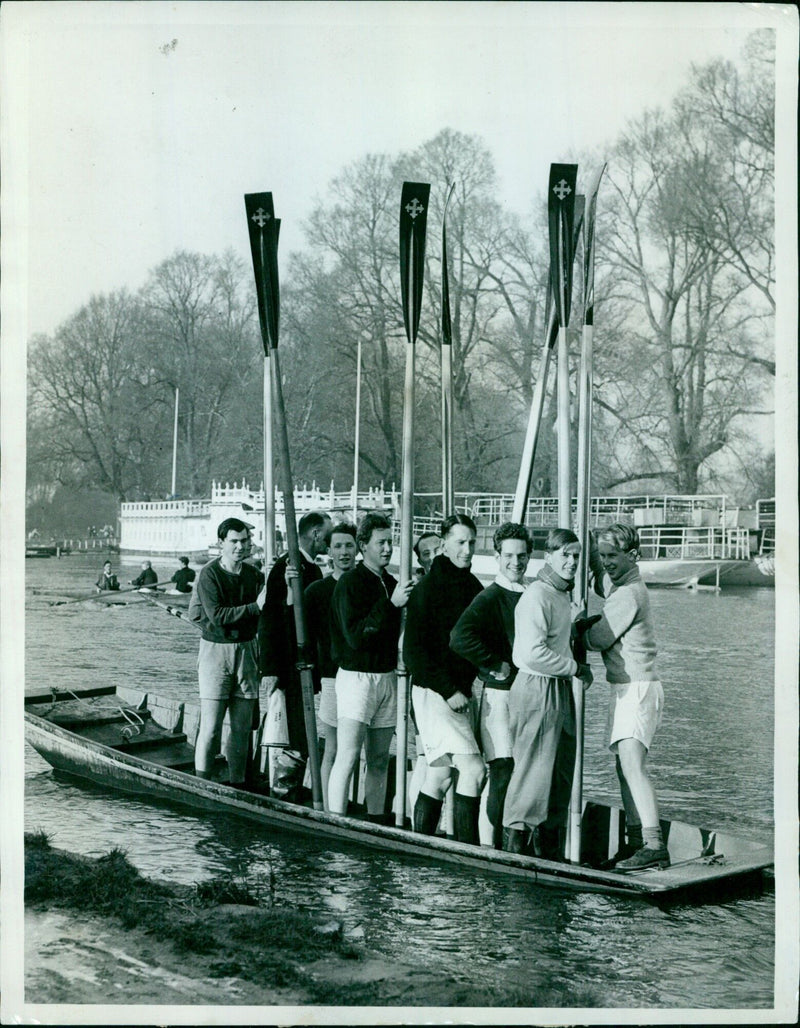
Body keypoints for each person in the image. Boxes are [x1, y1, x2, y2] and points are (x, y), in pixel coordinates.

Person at [575, 523, 668, 870]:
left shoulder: (628, 595)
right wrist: (588, 549)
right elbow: (601, 579)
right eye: (603, 555)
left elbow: (599, 638)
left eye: (613, 555)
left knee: (632, 765)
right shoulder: (624, 584)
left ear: (633, 556)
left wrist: (574, 627)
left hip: (638, 688)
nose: (607, 562)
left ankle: (654, 843)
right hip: (628, 686)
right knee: (623, 765)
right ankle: (636, 840)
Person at [502, 528, 593, 859]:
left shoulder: (560, 595)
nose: (571, 562)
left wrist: (576, 629)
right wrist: (575, 668)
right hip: (538, 687)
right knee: (533, 776)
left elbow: (553, 640)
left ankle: (547, 854)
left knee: (558, 775)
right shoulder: (537, 595)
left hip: (557, 689)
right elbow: (531, 653)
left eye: (576, 556)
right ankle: (514, 853)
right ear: (548, 557)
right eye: (565, 555)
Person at [404, 514, 485, 845]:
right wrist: (449, 689)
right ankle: (467, 851)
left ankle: (421, 847)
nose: (467, 550)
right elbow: (414, 654)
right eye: (460, 543)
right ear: (444, 543)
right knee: (474, 770)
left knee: (438, 775)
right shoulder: (428, 588)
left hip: (457, 691)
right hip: (435, 692)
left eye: (471, 543)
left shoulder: (472, 585)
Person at [450, 522, 532, 848]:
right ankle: (489, 847)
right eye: (509, 555)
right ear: (498, 556)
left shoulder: (529, 593)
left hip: (525, 696)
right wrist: (491, 663)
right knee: (502, 771)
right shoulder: (490, 596)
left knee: (517, 773)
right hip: (498, 698)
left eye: (522, 556)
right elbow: (459, 637)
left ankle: (505, 843)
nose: (516, 562)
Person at [327, 512, 413, 820]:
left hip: (387, 677)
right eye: (381, 543)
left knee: (379, 758)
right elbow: (355, 637)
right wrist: (391, 606)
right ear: (364, 545)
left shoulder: (391, 583)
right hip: (356, 678)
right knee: (348, 754)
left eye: (391, 542)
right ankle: (336, 819)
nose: (388, 548)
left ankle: (375, 818)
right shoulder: (350, 583)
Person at [188, 518, 266, 787]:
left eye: (244, 541)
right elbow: (217, 616)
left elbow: (261, 620)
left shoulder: (255, 575)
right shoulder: (209, 575)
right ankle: (202, 783)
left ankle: (237, 783)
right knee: (210, 728)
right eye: (234, 541)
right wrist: (255, 607)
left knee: (242, 730)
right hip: (215, 653)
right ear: (221, 543)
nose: (240, 546)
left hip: (247, 651)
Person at [258, 511, 333, 779]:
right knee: (291, 731)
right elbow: (270, 619)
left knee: (301, 729)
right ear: (316, 534)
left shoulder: (312, 568)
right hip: (288, 667)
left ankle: (289, 783)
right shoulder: (287, 566)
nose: (330, 540)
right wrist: (270, 670)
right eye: (329, 534)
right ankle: (281, 785)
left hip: (305, 666)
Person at [303, 522, 358, 809]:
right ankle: (324, 807)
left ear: (358, 547)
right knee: (334, 748)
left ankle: (345, 806)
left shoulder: (369, 584)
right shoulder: (317, 591)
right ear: (329, 551)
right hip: (332, 678)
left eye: (349, 545)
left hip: (363, 677)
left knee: (356, 750)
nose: (344, 552)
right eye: (338, 546)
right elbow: (305, 637)